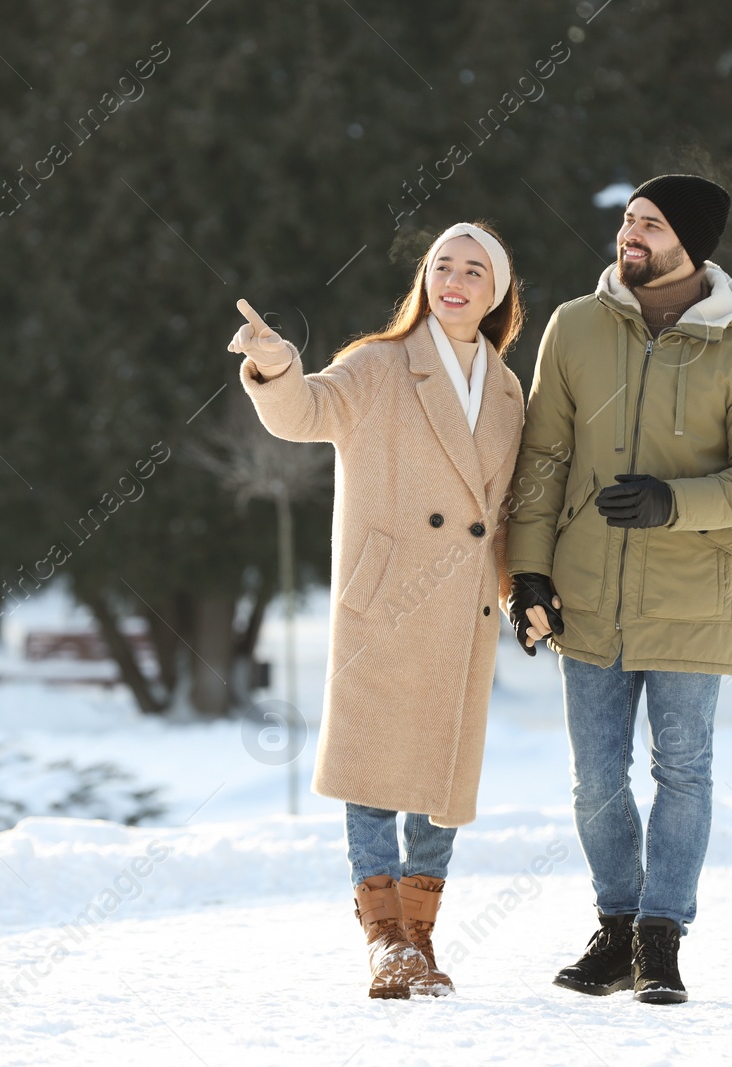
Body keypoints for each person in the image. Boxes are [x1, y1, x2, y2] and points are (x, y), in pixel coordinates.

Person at [504, 174, 732, 1004]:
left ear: (691, 244)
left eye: (651, 224)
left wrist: (676, 503)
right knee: (595, 777)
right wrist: (528, 569)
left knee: (684, 770)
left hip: (690, 597)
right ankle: (616, 926)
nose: (631, 234)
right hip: (586, 591)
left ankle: (661, 936)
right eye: (629, 220)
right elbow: (543, 461)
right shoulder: (574, 327)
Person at [230, 222, 526, 1000]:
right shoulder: (378, 363)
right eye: (441, 265)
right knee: (372, 768)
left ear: (497, 294)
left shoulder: (505, 388)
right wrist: (277, 365)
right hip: (387, 600)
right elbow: (307, 413)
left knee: (440, 779)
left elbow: (509, 508)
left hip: (464, 612)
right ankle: (383, 939)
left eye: (473, 270)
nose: (453, 280)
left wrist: (520, 586)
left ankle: (421, 937)